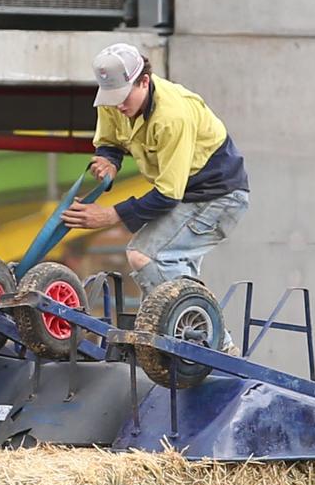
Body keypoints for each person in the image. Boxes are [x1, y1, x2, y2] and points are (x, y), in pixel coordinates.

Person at [61, 42, 250, 327]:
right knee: (172, 273)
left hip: (218, 195)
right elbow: (110, 142)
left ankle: (213, 342)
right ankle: (185, 335)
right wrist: (109, 161)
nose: (119, 105)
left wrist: (110, 215)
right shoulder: (113, 101)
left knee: (147, 256)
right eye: (112, 98)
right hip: (185, 194)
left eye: (124, 97)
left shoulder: (172, 116)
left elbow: (167, 194)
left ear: (144, 81)